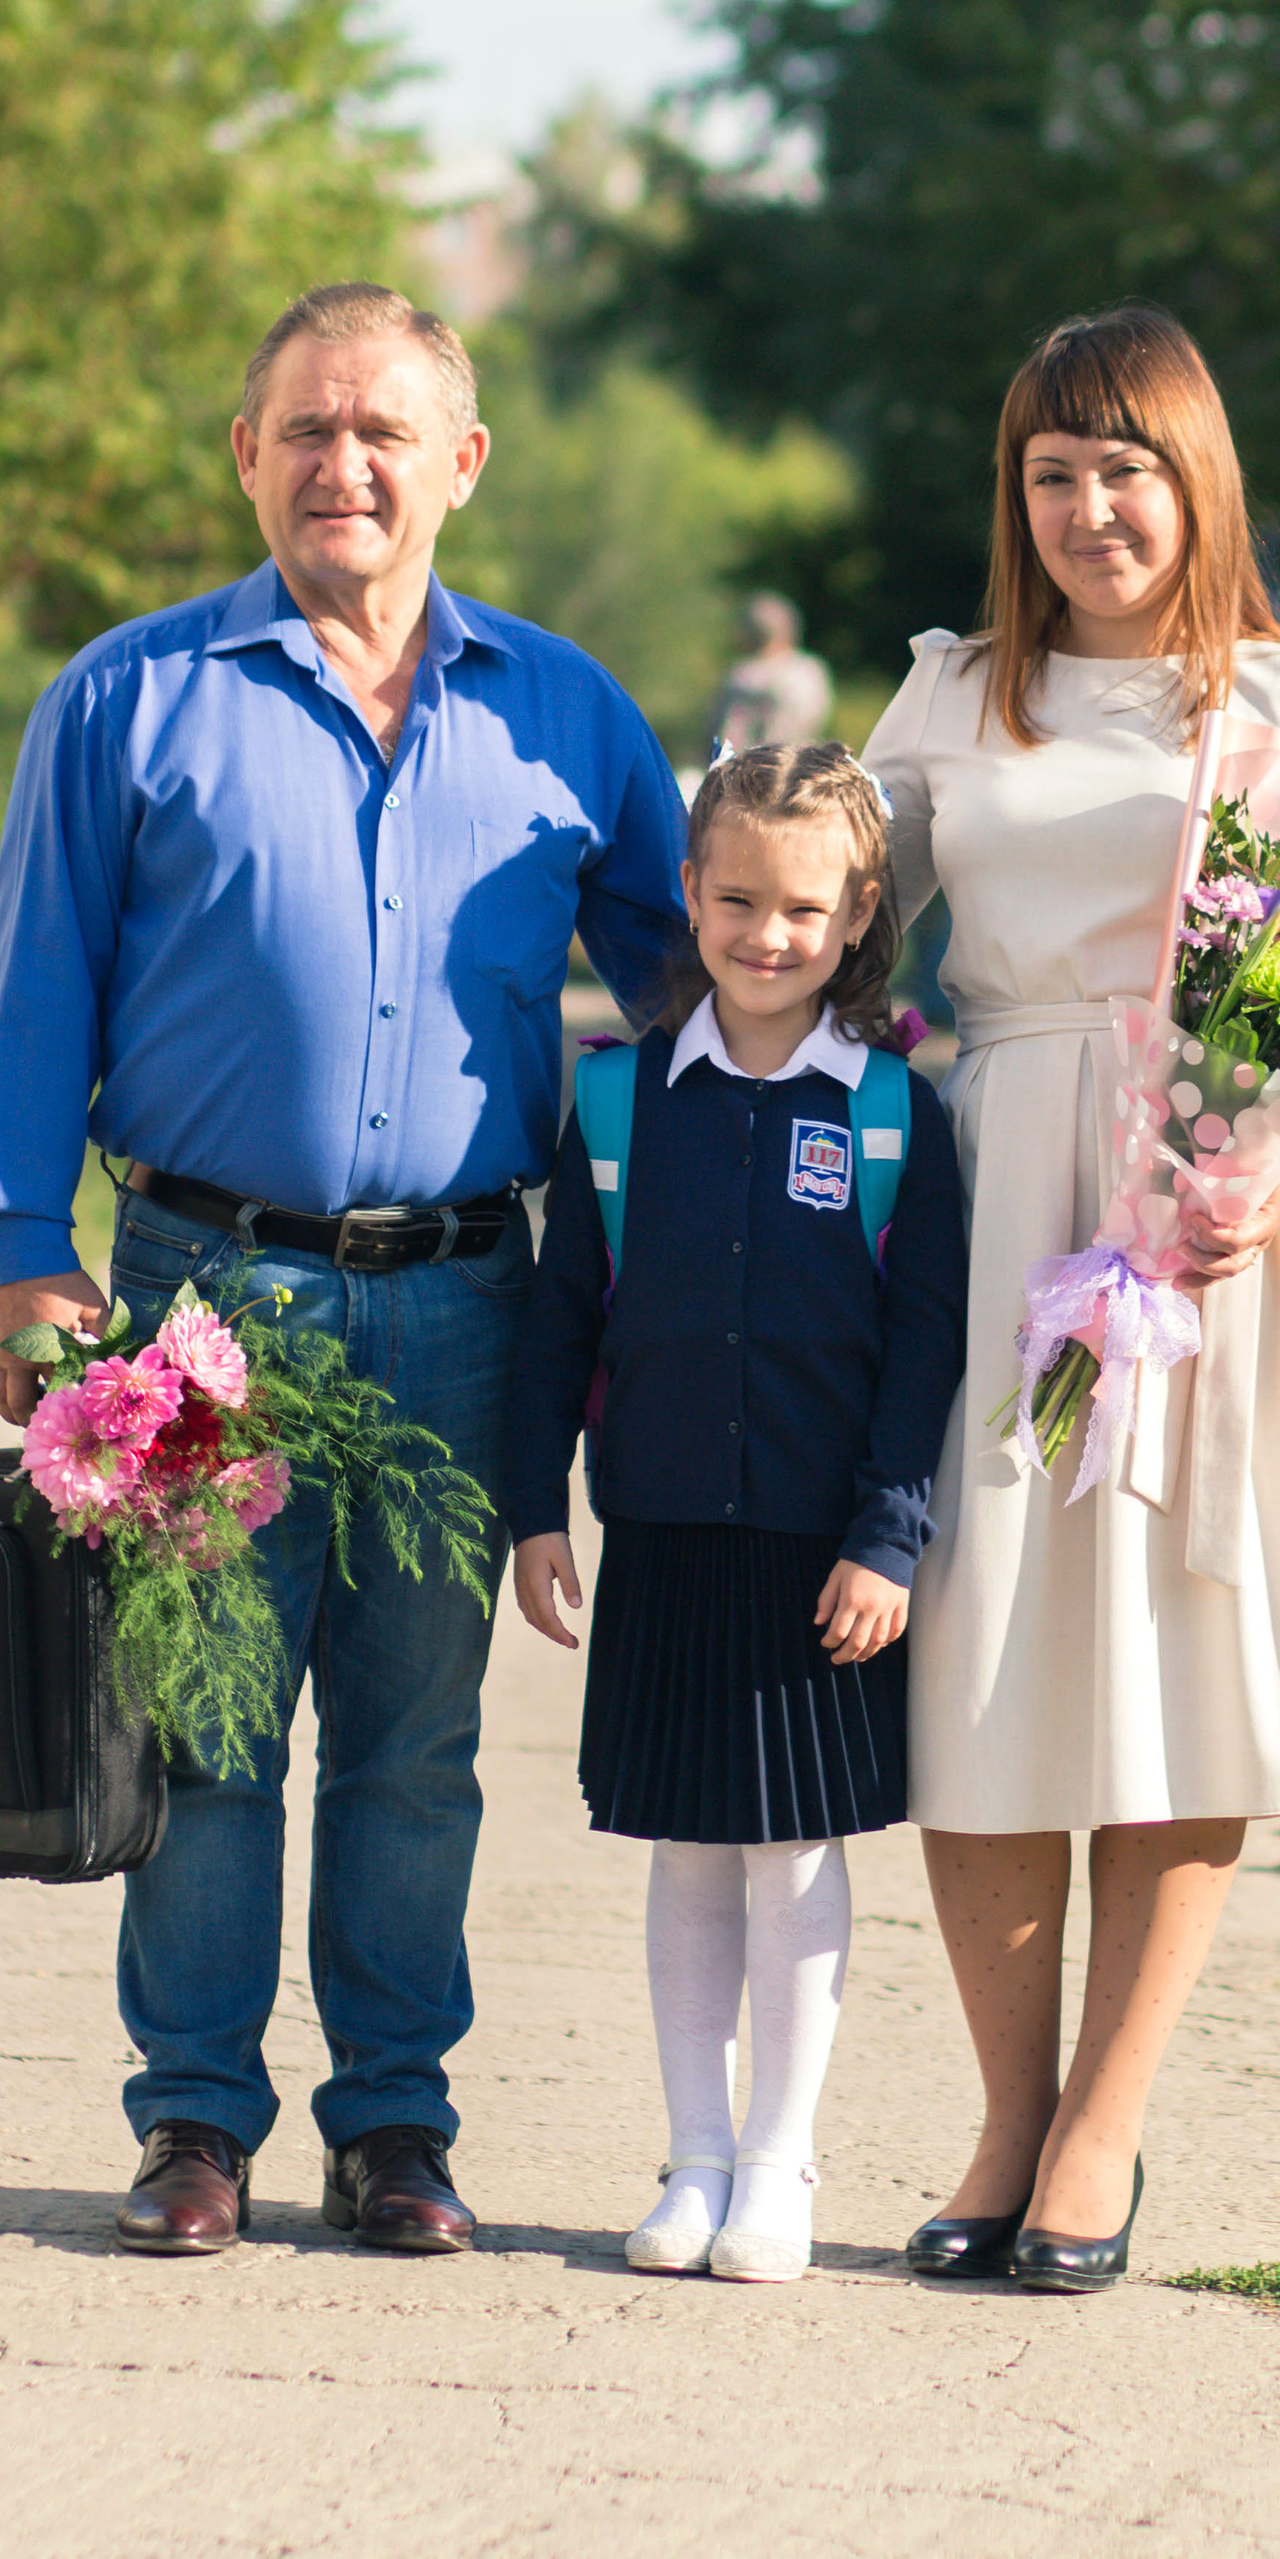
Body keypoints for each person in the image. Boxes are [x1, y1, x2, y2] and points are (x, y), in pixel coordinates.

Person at [0, 279, 687, 2262]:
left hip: (469, 1303)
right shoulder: (125, 699)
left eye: (381, 432)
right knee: (197, 1729)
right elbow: (37, 998)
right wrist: (26, 1258)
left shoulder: (569, 716)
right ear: (248, 457)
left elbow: (716, 980)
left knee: (412, 1743)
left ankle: (394, 2130)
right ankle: (193, 2120)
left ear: (460, 465)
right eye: (302, 429)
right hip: (202, 1304)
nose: (340, 464)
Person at [861, 304, 1280, 2295]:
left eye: (1124, 468)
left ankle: (1101, 2128)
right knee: (994, 1641)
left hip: (1221, 1220)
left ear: (1196, 480)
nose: (1087, 508)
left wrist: (1272, 1148)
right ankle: (1001, 2118)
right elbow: (833, 933)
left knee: (1177, 1650)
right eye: (1049, 473)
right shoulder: (951, 701)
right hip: (1012, 1193)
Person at [505, 744, 969, 2283]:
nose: (768, 934)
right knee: (688, 1852)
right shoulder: (624, 1102)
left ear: (857, 923)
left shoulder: (903, 1114)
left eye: (804, 910)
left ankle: (781, 2165)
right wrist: (537, 1510)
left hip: (820, 1559)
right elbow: (563, 1318)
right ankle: (693, 2159)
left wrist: (888, 1534)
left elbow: (929, 1351)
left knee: (793, 1852)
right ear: (690, 899)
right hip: (665, 1541)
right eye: (738, 899)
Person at [708, 591, 833, 758]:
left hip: (747, 769)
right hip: (793, 767)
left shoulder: (741, 675)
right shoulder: (809, 671)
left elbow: (723, 734)